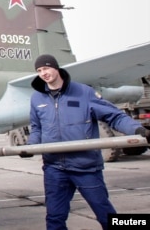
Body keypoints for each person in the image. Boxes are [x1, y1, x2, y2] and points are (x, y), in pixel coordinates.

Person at [25, 53, 150, 230]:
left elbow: (114, 116)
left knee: (106, 215)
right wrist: (31, 146)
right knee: (54, 218)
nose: (43, 73)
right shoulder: (37, 98)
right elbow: (36, 128)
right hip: (54, 168)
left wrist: (139, 130)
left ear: (56, 68)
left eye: (46, 68)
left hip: (85, 167)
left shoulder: (83, 92)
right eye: (39, 70)